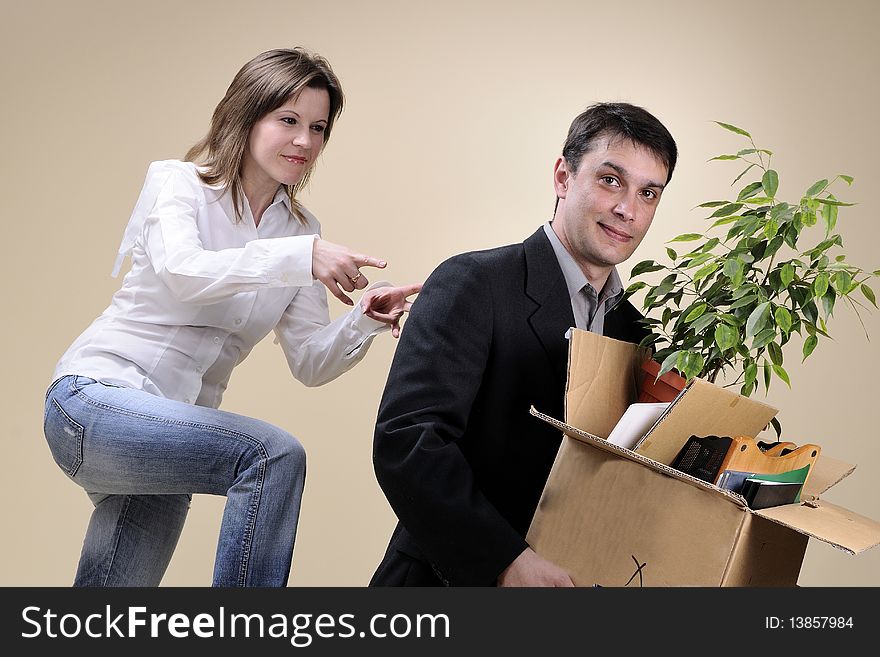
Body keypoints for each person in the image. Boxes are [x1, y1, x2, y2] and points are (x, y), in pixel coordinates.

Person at [42, 47, 421, 587]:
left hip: (172, 433)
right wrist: (301, 258)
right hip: (93, 402)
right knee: (271, 457)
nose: (304, 142)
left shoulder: (300, 230)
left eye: (318, 128)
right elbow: (182, 271)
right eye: (288, 120)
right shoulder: (179, 183)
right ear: (246, 116)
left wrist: (364, 316)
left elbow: (310, 360)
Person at [369, 102, 677, 586]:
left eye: (649, 193)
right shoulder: (473, 282)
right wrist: (505, 560)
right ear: (562, 176)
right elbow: (408, 440)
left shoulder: (638, 335)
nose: (627, 209)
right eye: (611, 180)